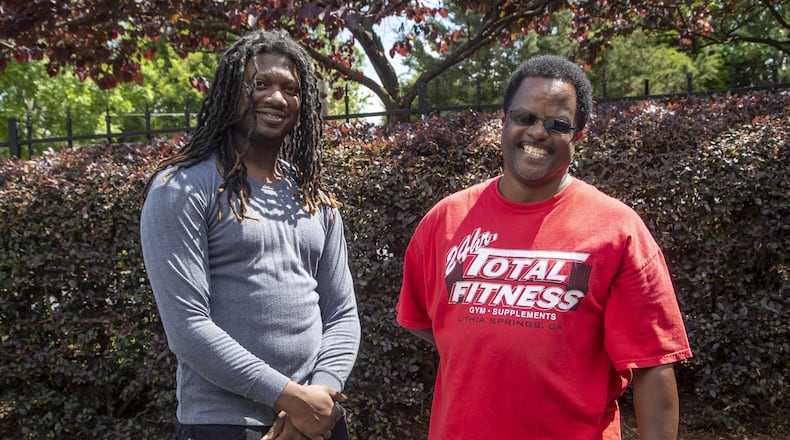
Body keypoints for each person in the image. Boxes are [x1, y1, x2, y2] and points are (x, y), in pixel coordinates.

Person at [396, 54, 692, 439]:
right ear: (504, 122)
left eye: (557, 124)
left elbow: (654, 367)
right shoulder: (445, 221)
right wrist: (492, 339)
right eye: (525, 117)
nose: (538, 132)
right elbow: (426, 320)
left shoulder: (619, 230)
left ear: (578, 136)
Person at [140, 28, 360, 440]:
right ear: (229, 93)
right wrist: (291, 399)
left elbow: (342, 314)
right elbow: (187, 327)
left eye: (291, 89)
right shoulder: (181, 189)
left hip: (318, 420)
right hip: (223, 425)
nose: (277, 98)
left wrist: (320, 395)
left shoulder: (315, 197)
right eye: (260, 84)